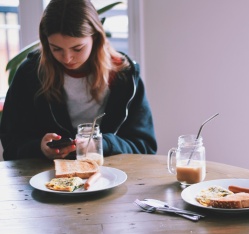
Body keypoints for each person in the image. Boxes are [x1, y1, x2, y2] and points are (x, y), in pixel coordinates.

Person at [0, 0, 157, 161]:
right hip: (46, 179)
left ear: (95, 38)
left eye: (77, 48)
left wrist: (102, 144)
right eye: (56, 49)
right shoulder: (30, 74)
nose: (67, 58)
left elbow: (145, 147)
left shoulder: (125, 75)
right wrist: (39, 148)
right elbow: (11, 143)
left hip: (113, 176)